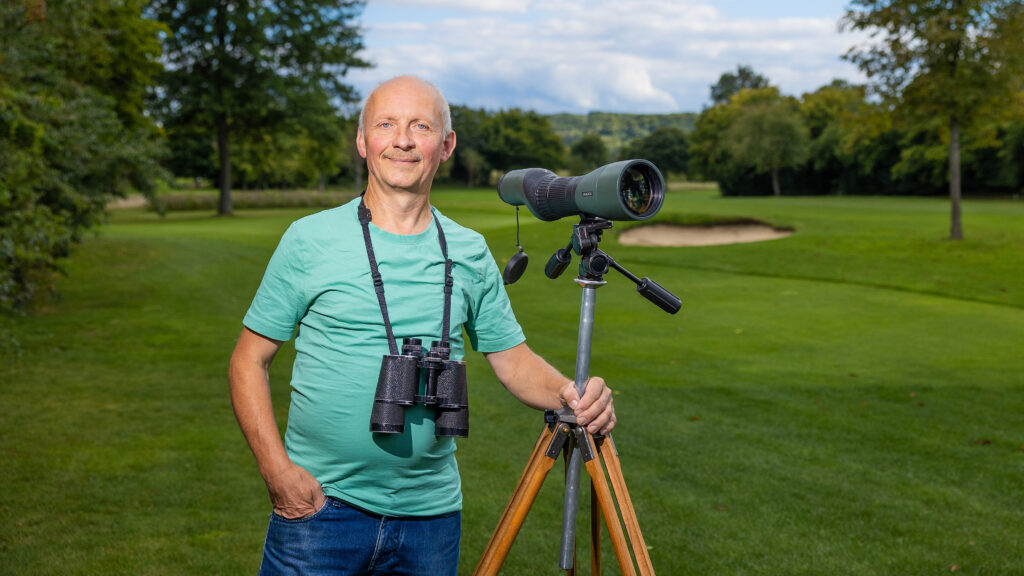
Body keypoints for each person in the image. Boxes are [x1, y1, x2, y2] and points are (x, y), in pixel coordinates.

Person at [228, 75, 615, 576]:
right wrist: (277, 473)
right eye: (386, 124)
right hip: (319, 510)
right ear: (363, 140)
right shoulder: (310, 240)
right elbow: (247, 360)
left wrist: (571, 394)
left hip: (430, 519)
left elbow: (513, 361)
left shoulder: (470, 250)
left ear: (446, 144)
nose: (403, 140)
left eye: (421, 126)